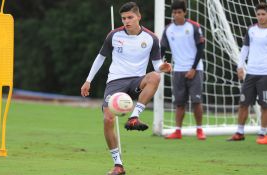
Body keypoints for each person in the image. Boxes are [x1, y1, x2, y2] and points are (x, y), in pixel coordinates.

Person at [80, 2, 171, 174]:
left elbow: (157, 65)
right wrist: (88, 81)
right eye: (123, 18)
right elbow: (100, 58)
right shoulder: (113, 35)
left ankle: (134, 117)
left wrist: (163, 68)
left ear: (139, 17)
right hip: (115, 82)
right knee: (107, 119)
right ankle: (118, 165)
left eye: (130, 17)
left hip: (137, 80)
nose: (126, 21)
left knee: (155, 76)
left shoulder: (151, 38)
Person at [160, 0, 206, 140]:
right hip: (178, 70)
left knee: (196, 101)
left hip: (195, 69)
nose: (176, 15)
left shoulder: (194, 27)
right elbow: (162, 49)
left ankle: (199, 130)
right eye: (174, 13)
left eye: (179, 12)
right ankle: (177, 131)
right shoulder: (168, 29)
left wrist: (193, 68)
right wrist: (161, 63)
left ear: (184, 12)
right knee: (179, 103)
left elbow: (200, 49)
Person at [227, 2, 267, 144]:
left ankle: (263, 133)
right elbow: (245, 49)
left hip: (265, 74)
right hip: (250, 73)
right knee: (243, 103)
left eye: (263, 14)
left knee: (265, 105)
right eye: (258, 14)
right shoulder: (251, 30)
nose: (261, 17)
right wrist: (240, 66)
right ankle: (239, 132)